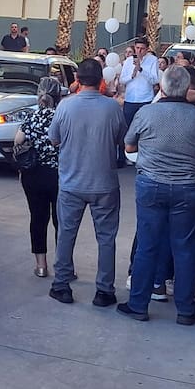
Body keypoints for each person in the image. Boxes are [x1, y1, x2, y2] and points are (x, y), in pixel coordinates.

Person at [120, 65, 195, 325]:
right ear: (188, 89)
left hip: (151, 184)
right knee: (185, 248)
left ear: (161, 87)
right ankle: (185, 310)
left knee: (147, 245)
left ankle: (138, 304)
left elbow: (129, 145)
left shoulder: (146, 113)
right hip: (188, 187)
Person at [47, 59, 126, 306]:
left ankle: (61, 284)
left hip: (71, 181)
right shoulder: (113, 108)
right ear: (102, 80)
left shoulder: (65, 106)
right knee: (106, 238)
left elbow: (54, 139)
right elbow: (122, 140)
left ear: (77, 80)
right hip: (104, 183)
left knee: (66, 234)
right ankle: (104, 290)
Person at [15, 77, 63, 278]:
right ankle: (64, 264)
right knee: (61, 220)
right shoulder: (62, 117)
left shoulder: (30, 117)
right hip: (59, 175)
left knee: (37, 217)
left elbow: (17, 141)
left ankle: (41, 265)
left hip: (33, 174)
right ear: (58, 96)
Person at [119, 37, 159, 130]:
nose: (139, 51)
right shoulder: (128, 61)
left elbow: (154, 80)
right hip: (130, 99)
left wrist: (141, 69)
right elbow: (122, 80)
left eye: (142, 48)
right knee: (128, 127)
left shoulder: (153, 60)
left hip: (145, 99)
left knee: (145, 127)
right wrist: (131, 75)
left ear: (147, 49)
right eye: (137, 48)